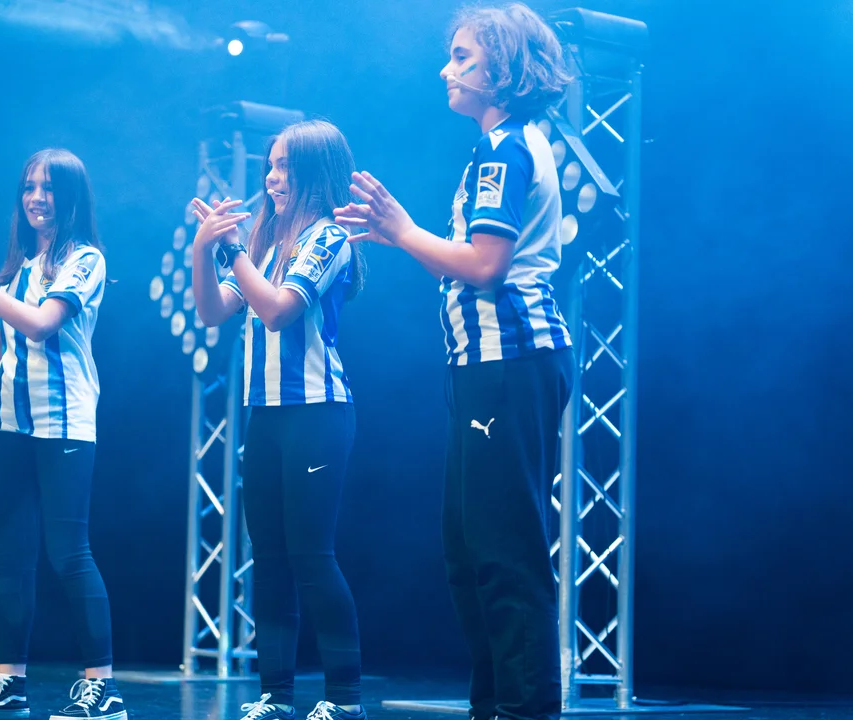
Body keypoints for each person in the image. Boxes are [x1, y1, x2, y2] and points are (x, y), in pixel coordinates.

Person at [333, 5, 576, 720]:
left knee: (503, 551)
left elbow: (485, 266)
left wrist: (404, 229)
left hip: (510, 362)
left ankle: (525, 709)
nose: (448, 69)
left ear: (504, 71)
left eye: (464, 57)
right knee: (470, 551)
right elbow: (468, 258)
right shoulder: (499, 147)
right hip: (486, 367)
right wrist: (401, 236)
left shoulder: (506, 149)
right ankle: (494, 704)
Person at [0, 148, 127, 720]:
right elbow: (5, 354)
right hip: (8, 420)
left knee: (69, 553)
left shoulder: (85, 259)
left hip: (64, 421)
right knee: (12, 556)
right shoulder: (20, 267)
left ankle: (102, 688)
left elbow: (42, 326)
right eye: (28, 187)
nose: (36, 198)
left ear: (71, 196)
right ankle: (10, 682)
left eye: (48, 187)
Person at [191, 120, 367, 720]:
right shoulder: (265, 245)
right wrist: (204, 248)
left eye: (285, 165)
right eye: (270, 164)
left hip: (318, 414)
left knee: (312, 556)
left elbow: (277, 311)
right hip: (264, 416)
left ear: (316, 172)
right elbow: (212, 311)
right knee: (267, 559)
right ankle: (276, 695)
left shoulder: (329, 237)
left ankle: (345, 700)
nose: (271, 177)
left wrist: (232, 250)